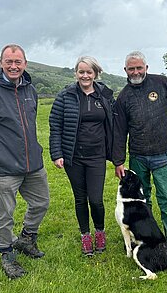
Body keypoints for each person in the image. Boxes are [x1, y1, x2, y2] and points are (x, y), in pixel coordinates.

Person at [0, 44, 50, 279]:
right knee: (5, 214)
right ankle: (7, 255)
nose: (13, 66)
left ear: (25, 63)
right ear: (1, 63)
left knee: (41, 202)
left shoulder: (30, 90)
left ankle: (26, 239)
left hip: (32, 163)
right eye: (9, 62)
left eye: (18, 62)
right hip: (3, 167)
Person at [112, 51, 167, 265]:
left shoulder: (162, 84)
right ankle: (144, 239)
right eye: (132, 69)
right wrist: (119, 161)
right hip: (138, 156)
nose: (136, 72)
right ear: (125, 71)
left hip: (163, 154)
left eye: (139, 68)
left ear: (146, 67)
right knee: (140, 201)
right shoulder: (124, 97)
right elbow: (119, 132)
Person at [49, 56, 114, 256]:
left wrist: (116, 152)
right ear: (76, 73)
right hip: (73, 157)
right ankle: (85, 235)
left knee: (95, 199)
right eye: (81, 72)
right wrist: (57, 153)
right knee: (80, 198)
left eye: (89, 72)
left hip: (97, 156)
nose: (85, 76)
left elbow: (116, 123)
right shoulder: (65, 96)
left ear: (96, 73)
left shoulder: (105, 95)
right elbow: (55, 126)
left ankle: (100, 231)